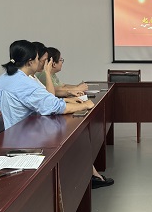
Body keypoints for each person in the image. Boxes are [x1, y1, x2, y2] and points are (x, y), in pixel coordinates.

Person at [34, 46, 113, 189]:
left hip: (41, 120)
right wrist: (76, 97)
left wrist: (73, 92)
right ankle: (90, 175)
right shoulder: (40, 76)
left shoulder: (36, 77)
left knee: (79, 135)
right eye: (44, 60)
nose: (44, 64)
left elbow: (58, 91)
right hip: (37, 127)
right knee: (77, 136)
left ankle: (91, 174)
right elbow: (51, 97)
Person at [0, 40, 94, 129]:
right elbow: (54, 107)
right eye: (38, 59)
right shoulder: (25, 83)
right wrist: (84, 105)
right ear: (30, 62)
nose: (39, 63)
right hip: (14, 136)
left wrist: (65, 100)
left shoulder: (4, 77)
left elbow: (47, 100)